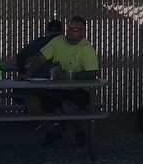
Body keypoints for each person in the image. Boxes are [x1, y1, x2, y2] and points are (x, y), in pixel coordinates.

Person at [24, 15, 99, 146]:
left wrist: (70, 76)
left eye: (74, 30)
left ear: (82, 32)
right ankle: (53, 131)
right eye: (69, 28)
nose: (70, 31)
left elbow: (92, 73)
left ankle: (80, 131)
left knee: (67, 106)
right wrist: (28, 73)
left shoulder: (87, 49)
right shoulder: (58, 40)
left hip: (77, 91)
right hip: (54, 89)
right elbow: (40, 58)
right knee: (31, 102)